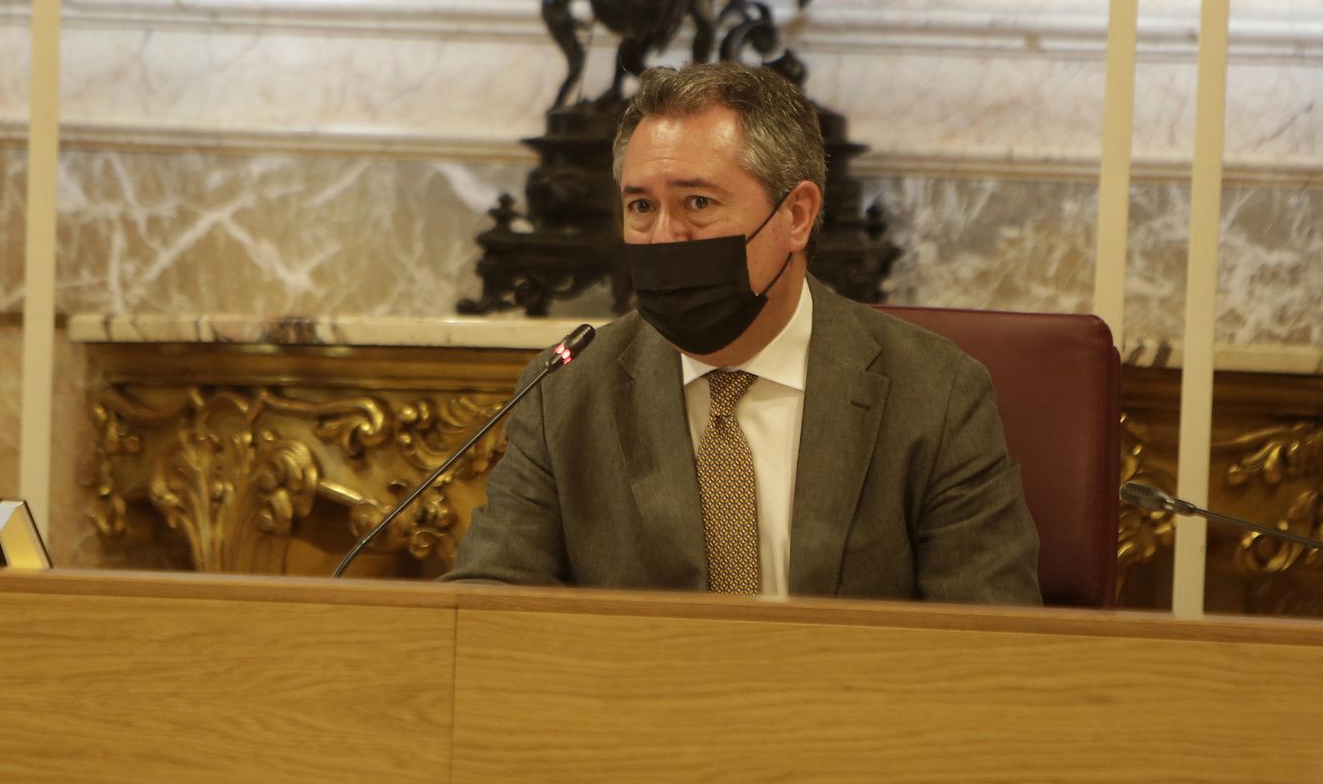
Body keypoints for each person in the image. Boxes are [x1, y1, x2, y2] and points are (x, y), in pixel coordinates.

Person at [444, 62, 1040, 602]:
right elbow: (486, 608)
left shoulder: (934, 394)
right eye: (641, 208)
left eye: (698, 203)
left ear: (797, 215)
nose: (663, 238)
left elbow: (989, 639)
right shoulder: (568, 391)